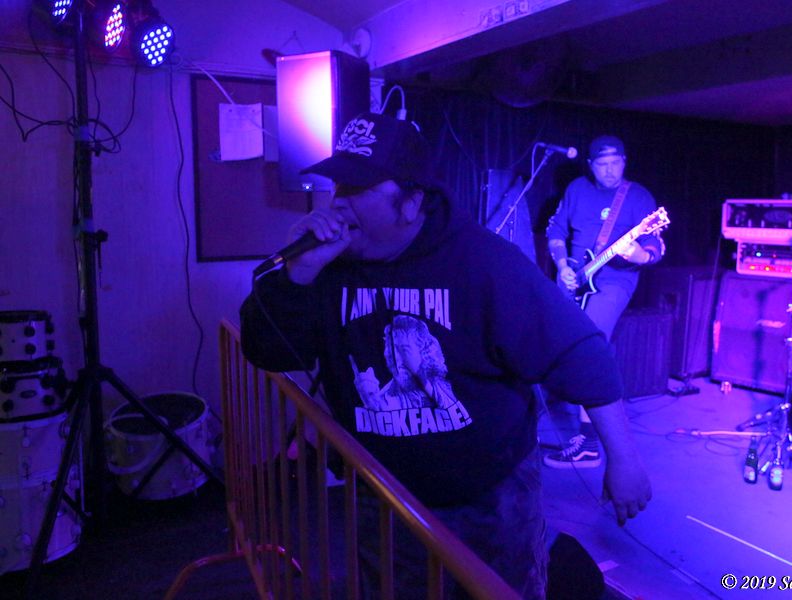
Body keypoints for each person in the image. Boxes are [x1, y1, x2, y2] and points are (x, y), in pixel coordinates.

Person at [239, 113, 651, 599]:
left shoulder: (482, 262)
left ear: (412, 202)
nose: (340, 204)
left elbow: (579, 352)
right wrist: (299, 273)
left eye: (358, 188)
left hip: (489, 497)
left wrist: (623, 460)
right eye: (338, 186)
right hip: (382, 494)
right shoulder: (329, 267)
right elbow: (264, 349)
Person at [544, 135, 664, 469]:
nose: (610, 171)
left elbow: (656, 246)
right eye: (603, 164)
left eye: (616, 163)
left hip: (614, 280)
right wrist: (563, 266)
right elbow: (556, 230)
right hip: (575, 276)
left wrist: (640, 254)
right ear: (590, 165)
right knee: (562, 344)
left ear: (625, 161)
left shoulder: (638, 197)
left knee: (592, 345)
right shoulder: (577, 190)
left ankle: (589, 443)